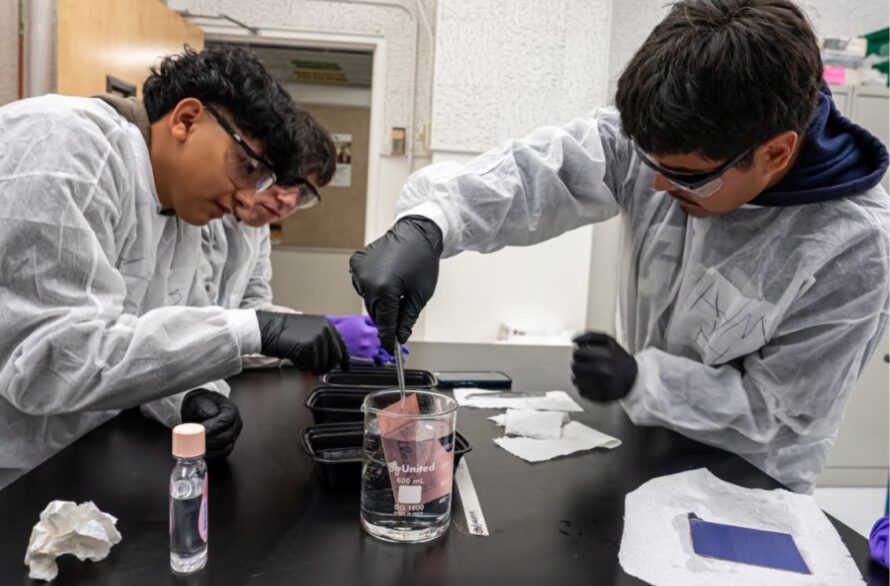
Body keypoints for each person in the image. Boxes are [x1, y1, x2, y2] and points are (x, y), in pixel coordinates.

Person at [348, 0, 890, 493]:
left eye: (685, 176)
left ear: (775, 153)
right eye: (649, 163)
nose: (656, 186)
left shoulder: (853, 246)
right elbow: (546, 171)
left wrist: (644, 380)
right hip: (643, 442)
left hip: (748, 481)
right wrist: (433, 222)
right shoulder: (669, 140)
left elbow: (782, 413)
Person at [0, 45, 349, 487]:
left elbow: (160, 328)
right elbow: (48, 365)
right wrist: (252, 328)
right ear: (186, 119)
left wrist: (189, 397)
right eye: (246, 166)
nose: (248, 197)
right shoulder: (67, 146)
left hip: (69, 458)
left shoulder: (177, 211)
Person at [195, 109, 397, 366]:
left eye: (303, 194)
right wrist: (313, 335)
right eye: (285, 179)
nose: (288, 200)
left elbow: (254, 307)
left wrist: (319, 328)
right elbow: (196, 333)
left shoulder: (257, 228)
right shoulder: (199, 215)